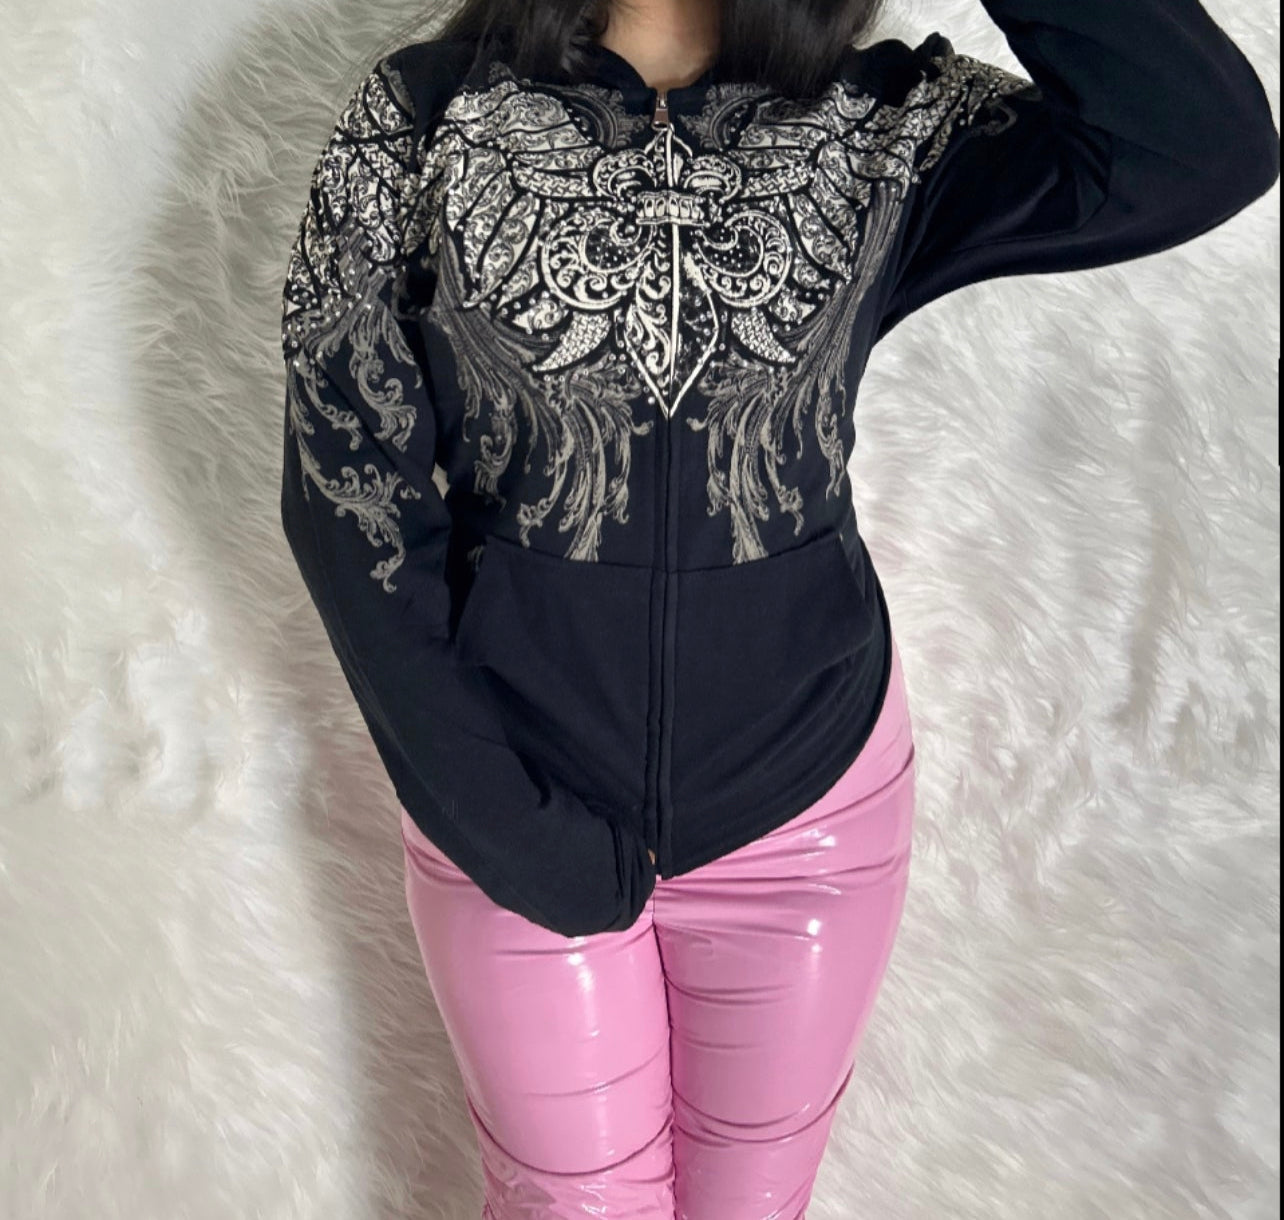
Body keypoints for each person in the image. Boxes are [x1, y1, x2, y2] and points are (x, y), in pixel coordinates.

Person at [277, 0, 1278, 1212]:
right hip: (515, 795)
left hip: (809, 812)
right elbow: (348, 495)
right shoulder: (422, 114)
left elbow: (1197, 145)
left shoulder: (886, 123)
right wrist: (502, 819)